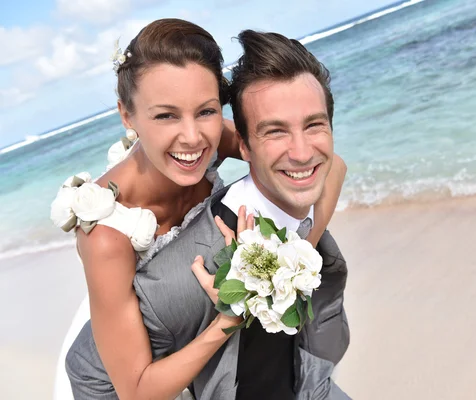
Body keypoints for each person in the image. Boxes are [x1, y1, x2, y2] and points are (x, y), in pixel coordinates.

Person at [52, 19, 346, 399]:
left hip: (180, 316)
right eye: (165, 115)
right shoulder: (106, 235)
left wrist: (286, 256)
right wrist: (232, 315)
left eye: (206, 111)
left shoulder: (210, 138)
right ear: (127, 115)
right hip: (117, 383)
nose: (191, 137)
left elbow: (328, 167)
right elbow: (136, 390)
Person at [149, 29, 352, 399]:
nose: (303, 152)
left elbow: (335, 166)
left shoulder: (303, 193)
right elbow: (90, 375)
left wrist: (298, 251)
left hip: (311, 386)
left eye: (314, 124)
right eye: (275, 131)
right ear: (243, 145)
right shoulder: (189, 270)